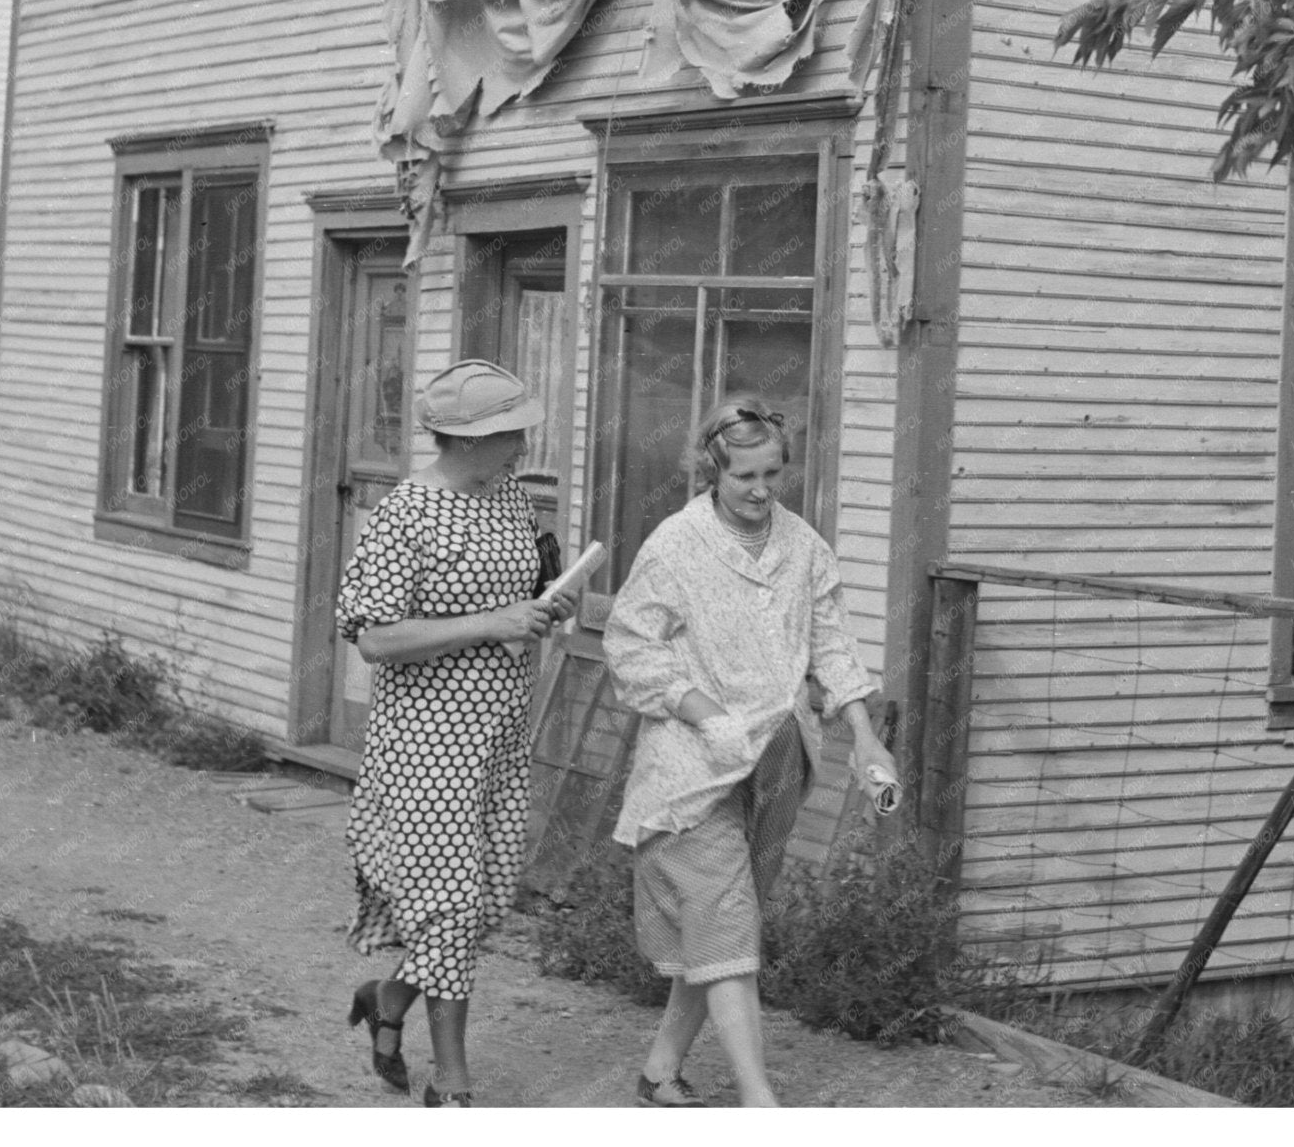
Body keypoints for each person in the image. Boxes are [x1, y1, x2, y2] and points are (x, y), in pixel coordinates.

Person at [603, 394, 899, 1108]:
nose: (762, 491)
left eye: (773, 474)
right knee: (726, 921)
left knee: (723, 930)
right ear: (713, 471)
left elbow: (832, 645)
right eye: (746, 477)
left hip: (776, 761)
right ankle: (759, 1102)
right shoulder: (674, 544)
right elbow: (630, 645)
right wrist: (703, 714)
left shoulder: (803, 545)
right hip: (691, 770)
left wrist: (863, 736)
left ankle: (659, 1071)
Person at [336, 358, 572, 1106]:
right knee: (446, 905)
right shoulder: (406, 513)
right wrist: (490, 623)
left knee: (485, 897)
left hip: (499, 729)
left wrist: (543, 606)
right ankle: (454, 1083)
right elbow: (375, 639)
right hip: (427, 738)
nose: (523, 446)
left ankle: (390, 1000)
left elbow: (516, 598)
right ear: (468, 439)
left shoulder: (508, 499)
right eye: (512, 434)